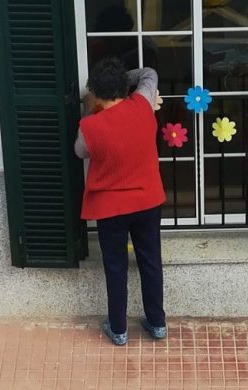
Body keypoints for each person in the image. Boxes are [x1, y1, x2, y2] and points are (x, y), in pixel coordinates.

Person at [74, 58, 166, 345]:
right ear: (124, 88)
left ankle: (119, 329)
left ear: (96, 93)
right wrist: (122, 77)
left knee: (115, 267)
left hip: (111, 209)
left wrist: (92, 110)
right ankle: (157, 323)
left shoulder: (90, 126)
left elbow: (80, 153)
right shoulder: (142, 103)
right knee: (151, 261)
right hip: (148, 200)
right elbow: (150, 73)